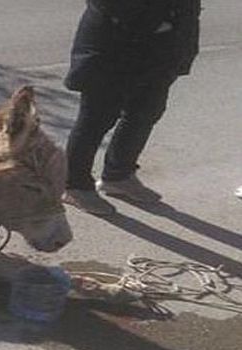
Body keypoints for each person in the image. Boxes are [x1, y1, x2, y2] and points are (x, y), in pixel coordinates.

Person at [62, 0, 201, 215]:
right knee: (97, 117)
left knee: (146, 113)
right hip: (114, 43)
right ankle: (75, 185)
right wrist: (155, 24)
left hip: (162, 46)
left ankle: (118, 175)